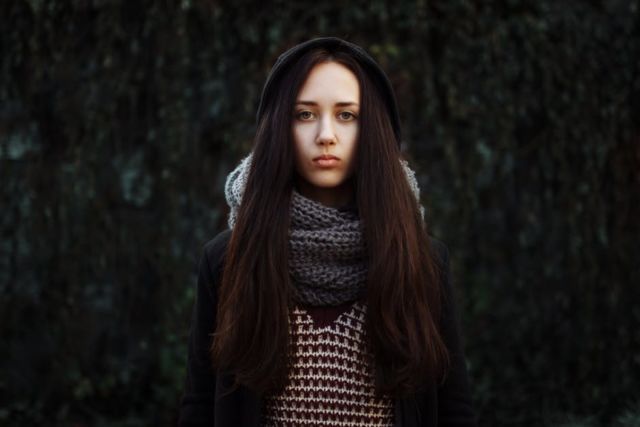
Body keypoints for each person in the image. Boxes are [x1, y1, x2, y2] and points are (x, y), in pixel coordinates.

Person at [178, 37, 477, 427]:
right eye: (304, 114)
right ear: (278, 129)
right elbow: (199, 406)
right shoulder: (229, 259)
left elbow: (453, 408)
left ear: (373, 130)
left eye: (347, 115)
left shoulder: (419, 260)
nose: (325, 134)